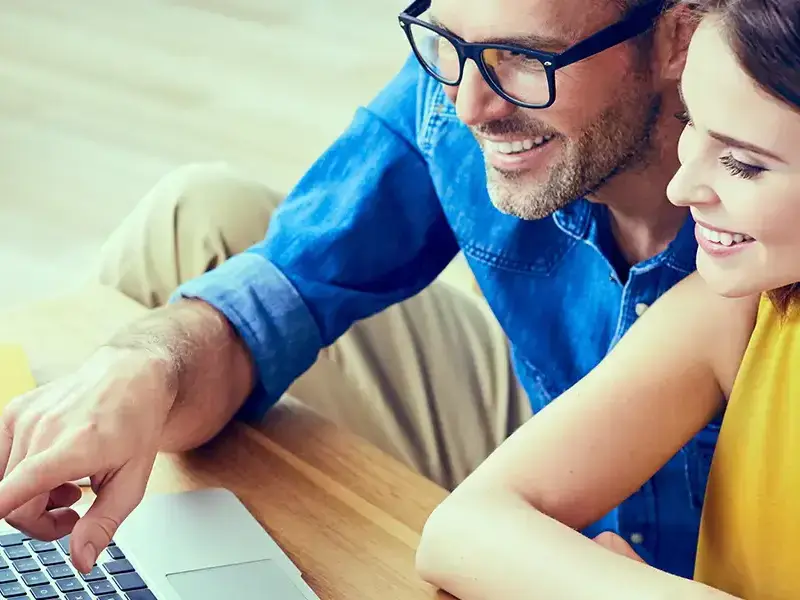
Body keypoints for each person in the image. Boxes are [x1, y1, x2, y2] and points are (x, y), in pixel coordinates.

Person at [0, 0, 703, 578]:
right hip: (552, 438)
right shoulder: (458, 83)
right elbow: (293, 279)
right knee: (199, 217)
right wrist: (144, 368)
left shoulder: (764, 204)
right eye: (449, 43)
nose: (470, 107)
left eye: (527, 58)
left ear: (680, 34)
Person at [415, 0, 800, 598]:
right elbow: (462, 529)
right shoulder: (742, 314)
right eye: (690, 121)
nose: (681, 185)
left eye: (743, 163)